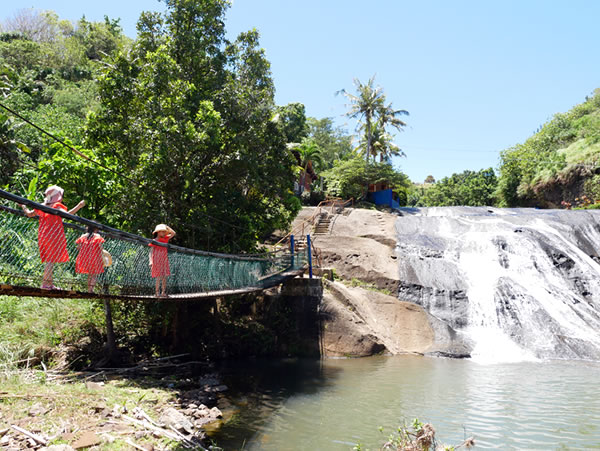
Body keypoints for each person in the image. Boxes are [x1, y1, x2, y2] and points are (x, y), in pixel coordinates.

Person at [20, 185, 86, 290]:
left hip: (43, 234)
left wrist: (23, 206)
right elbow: (68, 215)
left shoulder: (42, 205)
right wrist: (79, 206)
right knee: (50, 260)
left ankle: (49, 284)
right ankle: (45, 285)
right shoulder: (56, 205)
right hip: (54, 235)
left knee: (49, 259)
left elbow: (29, 214)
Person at [75, 224, 105, 293]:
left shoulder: (83, 236)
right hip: (95, 257)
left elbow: (78, 248)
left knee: (89, 274)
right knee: (94, 274)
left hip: (85, 258)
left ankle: (89, 289)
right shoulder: (97, 236)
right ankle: (91, 290)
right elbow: (100, 247)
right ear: (96, 229)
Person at [149, 224, 176, 298]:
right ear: (158, 232)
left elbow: (173, 233)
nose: (164, 233)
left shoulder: (165, 239)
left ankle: (163, 292)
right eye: (162, 231)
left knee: (164, 276)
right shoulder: (154, 241)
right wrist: (150, 261)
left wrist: (166, 227)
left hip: (164, 260)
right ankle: (157, 293)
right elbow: (151, 251)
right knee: (158, 276)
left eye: (165, 232)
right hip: (156, 260)